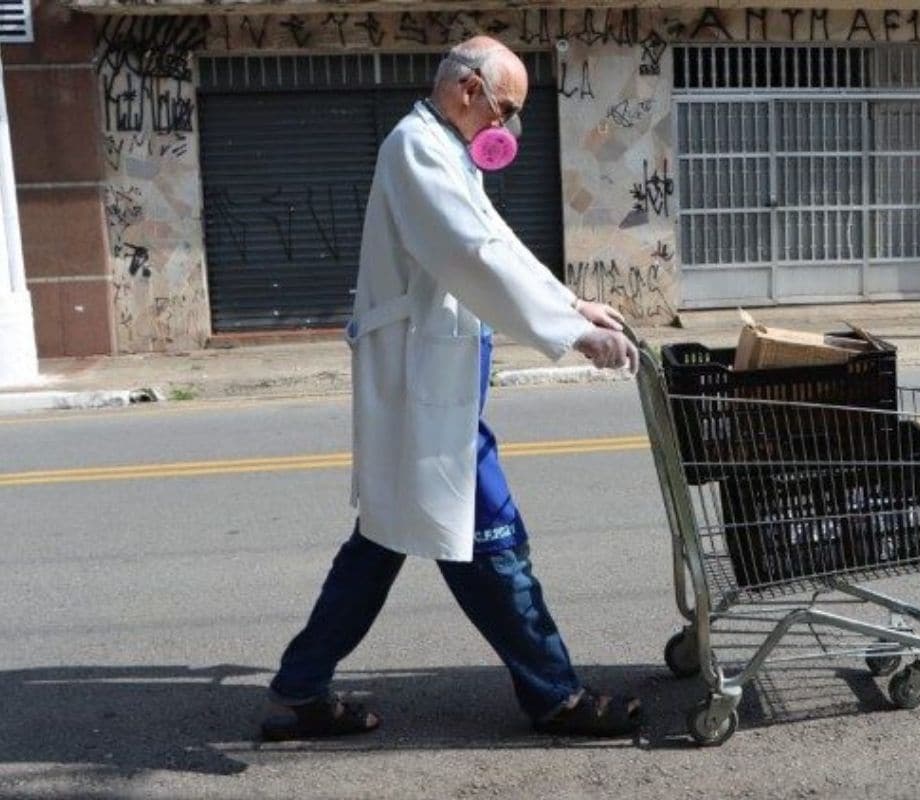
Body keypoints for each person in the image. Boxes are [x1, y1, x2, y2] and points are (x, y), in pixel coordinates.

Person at [260, 36, 642, 742]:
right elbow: (471, 253)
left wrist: (570, 303)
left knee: (381, 542)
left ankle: (298, 690)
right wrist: (570, 334)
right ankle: (555, 696)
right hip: (422, 391)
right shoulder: (415, 148)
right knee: (491, 541)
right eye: (507, 108)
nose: (509, 127)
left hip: (437, 385)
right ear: (468, 88)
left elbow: (495, 238)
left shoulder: (441, 148)